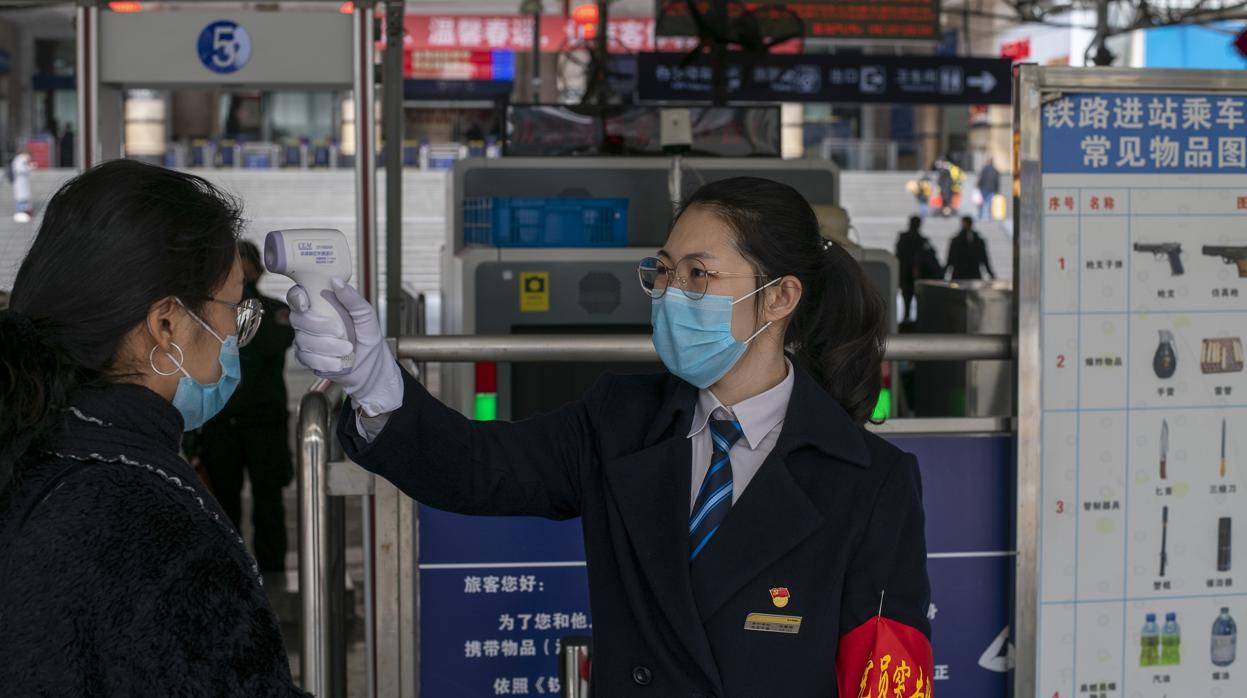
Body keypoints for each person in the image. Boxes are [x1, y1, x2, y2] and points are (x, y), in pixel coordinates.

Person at [288, 177, 933, 695]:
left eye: (698, 275)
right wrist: (376, 383)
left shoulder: (870, 480)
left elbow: (886, 676)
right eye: (664, 271)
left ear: (779, 297)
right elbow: (477, 467)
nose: (670, 294)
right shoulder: (619, 421)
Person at [0, 160, 307, 696]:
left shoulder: (32, 449)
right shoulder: (160, 530)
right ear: (166, 324)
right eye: (233, 308)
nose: (236, 331)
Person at [196, 240, 296, 580]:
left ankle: (273, 571)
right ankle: (230, 571)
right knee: (223, 504)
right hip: (220, 424)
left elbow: (267, 343)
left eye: (244, 267)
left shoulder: (276, 312)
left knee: (269, 501)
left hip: (264, 424)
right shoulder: (208, 313)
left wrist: (244, 300)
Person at [895, 215, 943, 324]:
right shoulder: (922, 240)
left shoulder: (903, 238)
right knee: (918, 299)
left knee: (907, 297)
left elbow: (898, 255)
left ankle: (906, 319)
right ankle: (917, 321)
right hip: (918, 274)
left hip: (906, 273)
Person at [946, 215, 997, 280]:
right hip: (964, 274)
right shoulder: (976, 240)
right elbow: (984, 259)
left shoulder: (976, 240)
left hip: (965, 274)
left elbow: (950, 258)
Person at [11, 147, 35, 223]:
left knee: (23, 199)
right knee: (21, 199)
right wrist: (29, 168)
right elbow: (20, 170)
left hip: (22, 183)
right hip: (20, 183)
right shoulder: (19, 160)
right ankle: (20, 214)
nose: (29, 158)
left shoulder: (20, 160)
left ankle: (23, 214)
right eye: (29, 156)